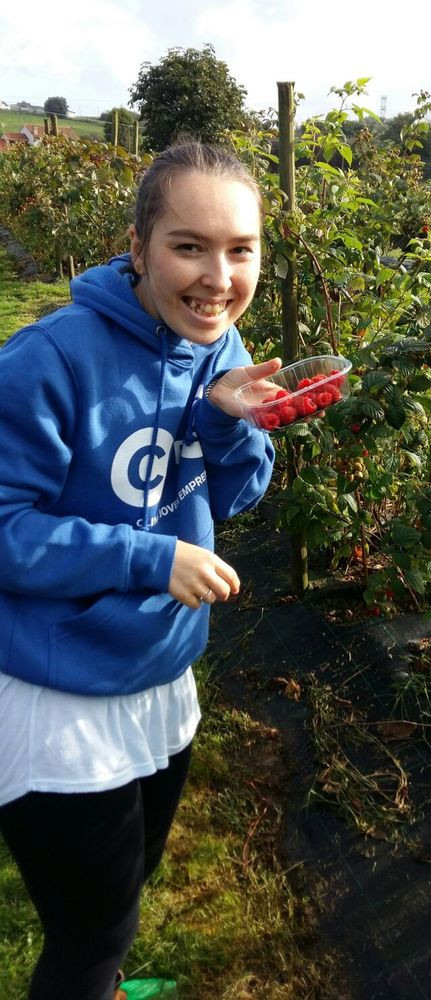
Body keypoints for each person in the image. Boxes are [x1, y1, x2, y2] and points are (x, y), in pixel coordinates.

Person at [0, 138, 280, 1000]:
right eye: (188, 246)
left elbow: (235, 495)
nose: (218, 277)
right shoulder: (49, 362)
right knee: (90, 934)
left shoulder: (221, 347)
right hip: (60, 686)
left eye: (240, 250)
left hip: (161, 673)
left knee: (131, 877)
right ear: (137, 247)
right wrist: (149, 558)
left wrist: (233, 425)